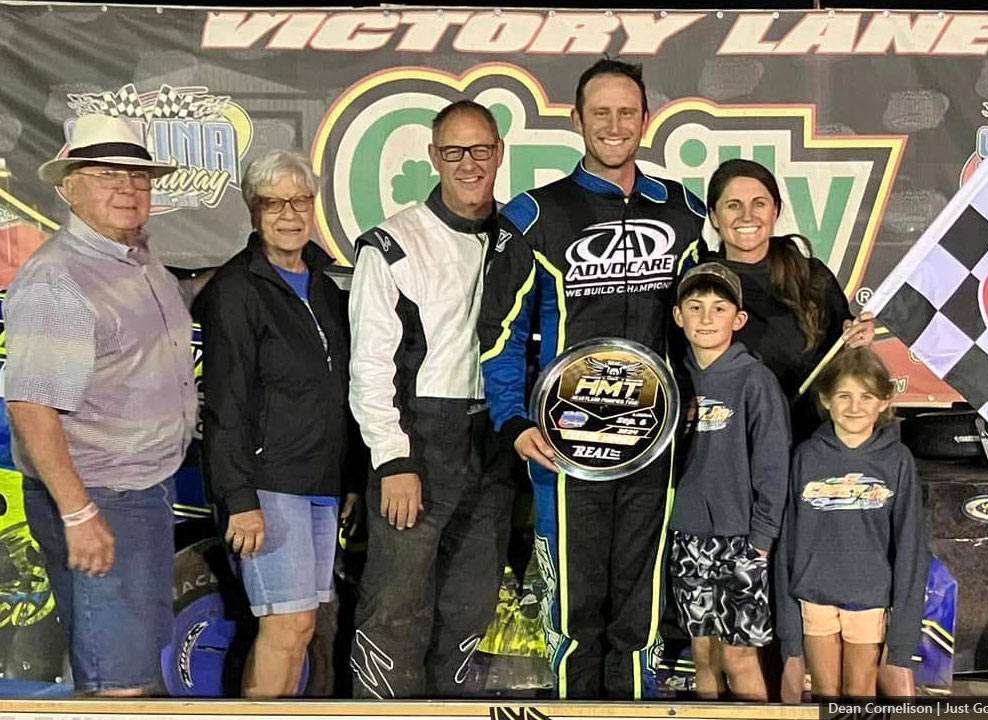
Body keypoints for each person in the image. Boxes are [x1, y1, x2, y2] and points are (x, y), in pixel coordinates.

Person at [478, 59, 704, 700]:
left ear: (646, 119)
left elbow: (699, 318)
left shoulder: (683, 210)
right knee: (576, 605)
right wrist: (513, 419)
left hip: (654, 440)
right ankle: (578, 712)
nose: (614, 125)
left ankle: (634, 708)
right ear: (576, 120)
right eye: (599, 112)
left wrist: (690, 396)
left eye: (626, 112)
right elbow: (501, 332)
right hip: (566, 441)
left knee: (641, 603)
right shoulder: (535, 214)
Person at [5, 114, 193, 695]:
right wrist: (81, 514)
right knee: (120, 684)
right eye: (108, 174)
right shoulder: (59, 281)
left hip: (142, 489)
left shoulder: (134, 257)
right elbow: (32, 405)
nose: (128, 188)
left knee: (133, 662)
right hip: (102, 495)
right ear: (70, 187)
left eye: (138, 176)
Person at [348, 100, 515, 699]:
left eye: (480, 150)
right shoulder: (394, 242)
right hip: (420, 437)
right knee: (396, 609)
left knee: (470, 607)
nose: (468, 164)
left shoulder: (520, 235)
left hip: (496, 439)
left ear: (499, 153)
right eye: (453, 152)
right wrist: (394, 460)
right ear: (433, 158)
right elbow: (368, 364)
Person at [196, 150, 361, 698]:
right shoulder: (236, 290)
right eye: (274, 203)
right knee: (284, 627)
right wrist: (240, 497)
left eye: (300, 201)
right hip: (268, 488)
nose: (289, 214)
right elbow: (226, 403)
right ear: (253, 211)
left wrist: (350, 477)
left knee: (303, 627)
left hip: (319, 485)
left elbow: (339, 391)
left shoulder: (325, 286)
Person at [775, 347, 928, 698]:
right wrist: (789, 641)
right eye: (844, 395)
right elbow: (789, 541)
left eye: (866, 396)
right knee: (826, 694)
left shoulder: (898, 460)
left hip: (869, 597)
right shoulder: (806, 456)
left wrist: (901, 641)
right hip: (814, 597)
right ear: (826, 399)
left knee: (859, 693)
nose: (854, 406)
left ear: (884, 401)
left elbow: (910, 547)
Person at [668, 262, 790, 701]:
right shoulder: (669, 379)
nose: (705, 318)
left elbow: (775, 466)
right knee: (702, 655)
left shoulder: (754, 380)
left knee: (739, 658)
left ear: (737, 320)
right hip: (688, 538)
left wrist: (761, 538)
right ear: (678, 316)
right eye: (695, 307)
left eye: (718, 308)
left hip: (742, 541)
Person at [704, 158, 874, 434]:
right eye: (733, 205)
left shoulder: (811, 277)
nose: (747, 216)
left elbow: (844, 362)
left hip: (805, 443)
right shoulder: (699, 282)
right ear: (713, 216)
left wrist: (858, 341)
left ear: (776, 211)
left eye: (759, 203)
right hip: (725, 443)